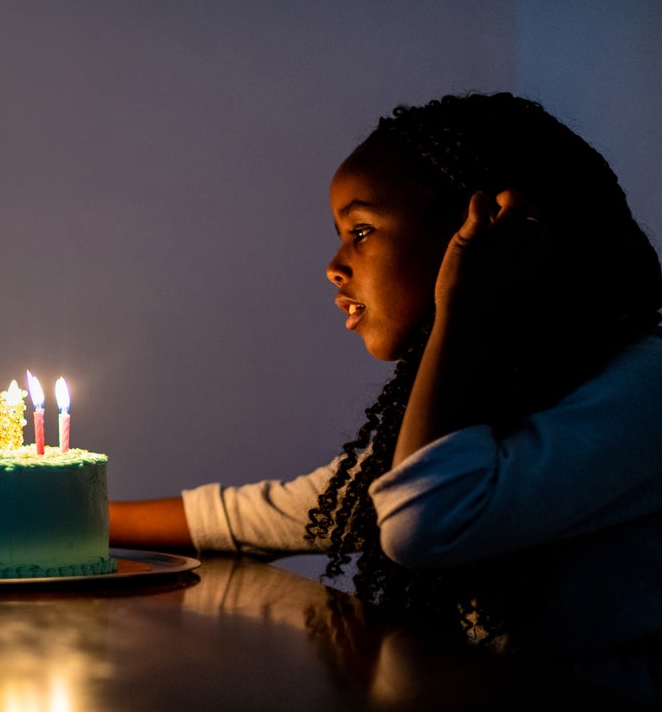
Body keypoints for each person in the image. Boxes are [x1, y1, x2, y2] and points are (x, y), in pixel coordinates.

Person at [110, 92, 662, 659]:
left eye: (362, 231)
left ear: (485, 231)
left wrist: (462, 309)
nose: (333, 266)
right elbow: (265, 514)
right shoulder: (510, 393)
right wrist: (56, 509)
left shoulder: (644, 389)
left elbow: (422, 522)